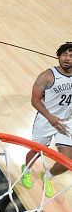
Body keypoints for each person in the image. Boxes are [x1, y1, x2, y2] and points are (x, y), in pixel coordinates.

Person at [21, 42, 72, 198]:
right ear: (58, 56)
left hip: (66, 121)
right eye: (64, 55)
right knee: (36, 151)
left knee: (67, 160)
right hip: (46, 119)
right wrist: (50, 118)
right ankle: (27, 169)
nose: (67, 59)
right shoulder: (47, 76)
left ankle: (48, 176)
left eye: (71, 56)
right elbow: (35, 100)